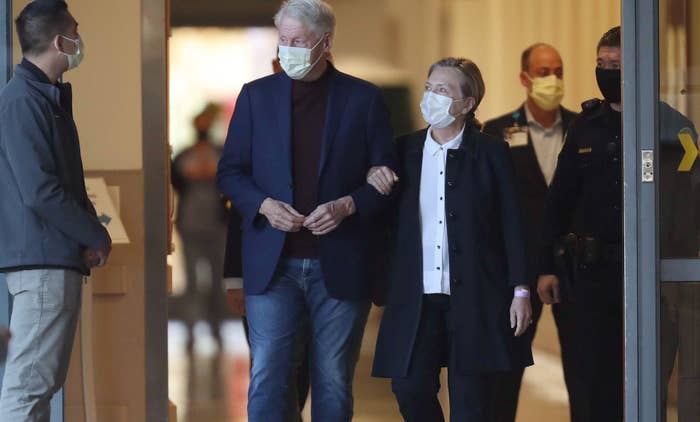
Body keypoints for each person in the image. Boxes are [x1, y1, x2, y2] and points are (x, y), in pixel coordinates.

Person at [216, 0, 396, 420]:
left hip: (341, 262)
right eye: (283, 40)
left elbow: (385, 177)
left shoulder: (364, 99)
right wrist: (263, 205)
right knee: (268, 375)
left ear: (326, 42)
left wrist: (348, 204)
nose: (287, 49)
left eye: (298, 41)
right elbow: (230, 173)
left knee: (333, 378)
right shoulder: (255, 97)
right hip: (273, 265)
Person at [371, 57, 533, 422]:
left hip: (476, 295)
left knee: (471, 404)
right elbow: (381, 221)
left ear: (467, 103)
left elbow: (513, 224)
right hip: (417, 296)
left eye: (442, 91)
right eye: (429, 88)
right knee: (409, 388)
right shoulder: (402, 152)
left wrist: (520, 291)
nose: (432, 97)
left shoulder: (491, 153)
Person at [0, 1, 112, 420]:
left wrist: (81, 237)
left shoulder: (46, 97)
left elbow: (60, 182)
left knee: (40, 386)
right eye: (76, 32)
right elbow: (40, 192)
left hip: (53, 258)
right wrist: (93, 233)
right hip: (42, 265)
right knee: (28, 388)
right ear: (59, 40)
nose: (80, 41)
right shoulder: (23, 101)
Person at [481, 43, 581, 421]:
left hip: (574, 267)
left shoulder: (582, 129)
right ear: (524, 79)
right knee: (504, 375)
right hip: (517, 271)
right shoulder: (497, 133)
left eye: (558, 71)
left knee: (586, 372)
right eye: (543, 72)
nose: (552, 79)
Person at [537, 26, 626, 421]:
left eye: (616, 65)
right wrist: (546, 267)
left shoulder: (664, 125)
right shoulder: (585, 126)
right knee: (592, 380)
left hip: (644, 275)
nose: (606, 73)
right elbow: (558, 201)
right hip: (591, 275)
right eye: (601, 64)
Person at [171, 104, 228, 348]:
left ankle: (217, 330)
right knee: (193, 281)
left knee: (217, 280)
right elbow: (177, 180)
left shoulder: (221, 152)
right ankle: (190, 332)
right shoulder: (184, 154)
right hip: (191, 225)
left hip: (217, 225)